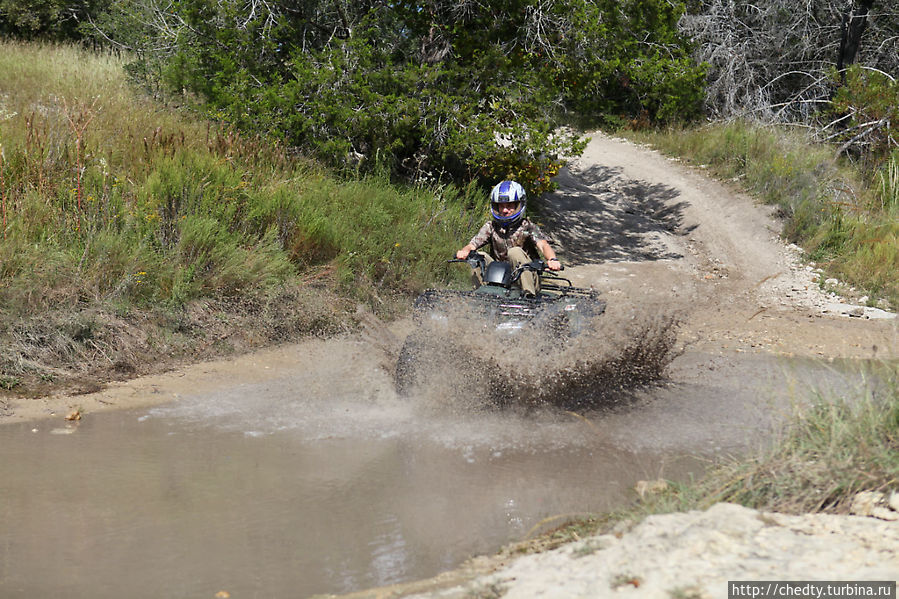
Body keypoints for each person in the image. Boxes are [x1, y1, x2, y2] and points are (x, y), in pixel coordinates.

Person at [455, 180, 561, 297]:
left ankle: (529, 297)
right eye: (501, 206)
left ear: (518, 205)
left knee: (514, 252)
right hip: (498, 279)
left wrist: (552, 259)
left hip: (527, 278)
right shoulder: (491, 226)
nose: (505, 210)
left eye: (509, 206)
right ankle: (479, 296)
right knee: (478, 256)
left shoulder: (527, 226)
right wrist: (465, 252)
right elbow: (472, 245)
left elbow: (543, 245)